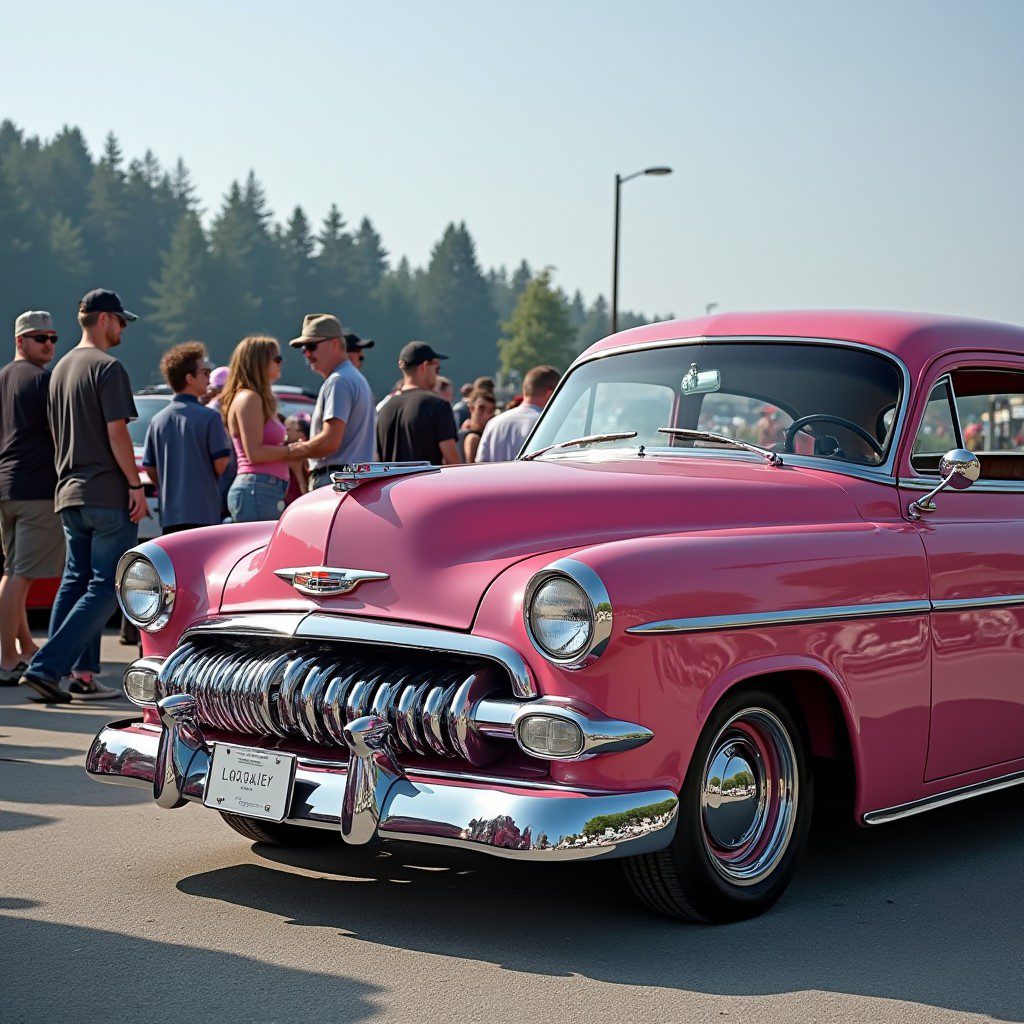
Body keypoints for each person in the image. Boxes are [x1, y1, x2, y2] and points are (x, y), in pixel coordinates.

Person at [20, 289, 147, 703]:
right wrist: (134, 484)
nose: (123, 328)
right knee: (106, 586)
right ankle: (46, 669)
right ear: (105, 319)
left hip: (69, 491)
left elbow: (56, 435)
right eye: (121, 321)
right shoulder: (108, 368)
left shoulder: (58, 370)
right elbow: (116, 432)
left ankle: (83, 676)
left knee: (75, 583)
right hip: (107, 492)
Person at [0, 312, 65, 685]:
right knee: (19, 575)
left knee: (13, 572)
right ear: (20, 340)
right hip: (36, 489)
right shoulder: (42, 380)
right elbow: (59, 435)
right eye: (40, 337)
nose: (49, 344)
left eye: (53, 337)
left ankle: (24, 646)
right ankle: (8, 659)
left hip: (8, 488)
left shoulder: (4, 377)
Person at [141, 342, 231, 534]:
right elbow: (221, 463)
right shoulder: (210, 417)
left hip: (170, 515)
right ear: (189, 378)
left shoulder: (157, 420)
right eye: (205, 373)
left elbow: (149, 467)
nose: (209, 379)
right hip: (204, 512)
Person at [286, 315, 376, 489]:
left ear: (335, 343)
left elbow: (330, 442)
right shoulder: (352, 377)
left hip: (336, 481)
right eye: (304, 349)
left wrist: (291, 451)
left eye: (311, 346)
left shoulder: (339, 381)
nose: (307, 354)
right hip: (351, 479)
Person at [221, 335, 293, 522]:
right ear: (260, 363)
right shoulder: (249, 398)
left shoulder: (255, 398)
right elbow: (255, 453)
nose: (281, 363)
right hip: (258, 488)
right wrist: (293, 450)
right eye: (277, 359)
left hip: (263, 489)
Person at [376, 342, 461, 466]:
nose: (437, 374)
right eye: (436, 368)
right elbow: (452, 463)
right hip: (426, 484)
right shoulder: (438, 405)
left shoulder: (384, 408)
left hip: (392, 485)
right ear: (425, 366)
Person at [475, 365, 560, 463]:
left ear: (525, 390)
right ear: (550, 393)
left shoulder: (493, 423)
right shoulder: (548, 423)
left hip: (496, 478)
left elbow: (480, 463)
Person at [458, 388, 497, 463]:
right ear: (471, 408)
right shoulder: (473, 438)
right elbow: (471, 469)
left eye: (491, 410)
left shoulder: (465, 432)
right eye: (481, 409)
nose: (487, 414)